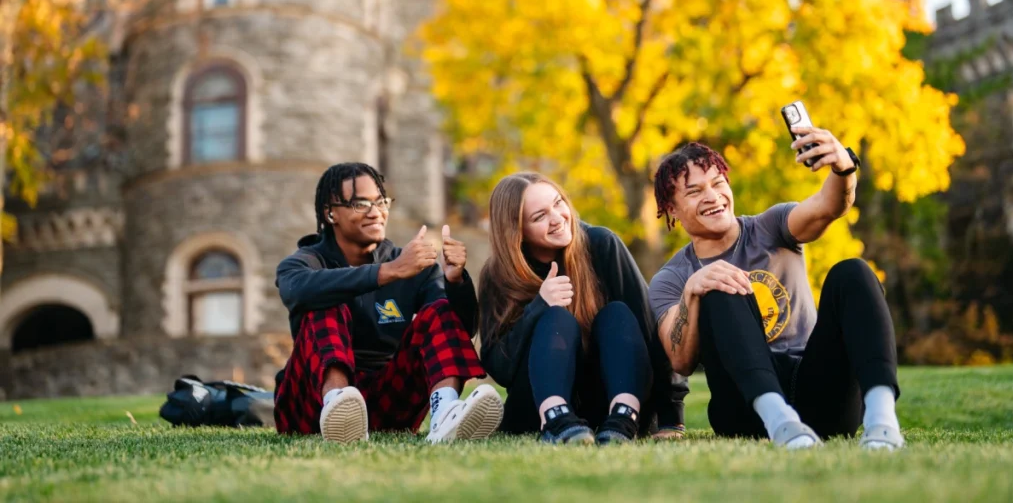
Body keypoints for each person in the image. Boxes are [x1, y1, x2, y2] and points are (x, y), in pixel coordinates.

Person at [648, 129, 904, 451]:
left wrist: (843, 167)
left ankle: (883, 422)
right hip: (746, 413)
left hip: (819, 395)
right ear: (672, 210)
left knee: (853, 272)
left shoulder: (770, 227)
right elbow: (680, 361)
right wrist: (692, 293)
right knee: (718, 283)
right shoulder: (671, 278)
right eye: (695, 192)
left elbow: (829, 206)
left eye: (717, 183)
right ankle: (779, 420)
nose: (712, 196)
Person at [274, 162, 503, 443]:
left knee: (440, 310)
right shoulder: (306, 261)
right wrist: (389, 272)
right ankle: (338, 403)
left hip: (386, 400)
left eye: (381, 202)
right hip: (312, 406)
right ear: (330, 212)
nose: (376, 212)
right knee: (326, 298)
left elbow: (458, 331)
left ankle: (445, 414)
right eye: (360, 204)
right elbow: (296, 290)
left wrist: (456, 283)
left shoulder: (413, 266)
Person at [478, 172, 686, 445]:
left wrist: (672, 415)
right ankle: (558, 422)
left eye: (558, 203)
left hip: (611, 397)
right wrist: (538, 306)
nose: (557, 218)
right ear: (517, 232)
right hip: (539, 406)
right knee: (555, 318)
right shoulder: (498, 275)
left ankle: (623, 421)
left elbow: (652, 329)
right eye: (539, 216)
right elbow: (500, 369)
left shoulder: (601, 244)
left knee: (618, 314)